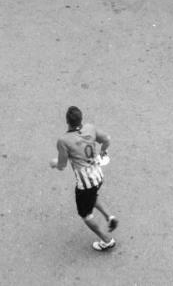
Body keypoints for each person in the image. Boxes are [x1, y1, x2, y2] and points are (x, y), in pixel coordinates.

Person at [49, 106, 117, 252]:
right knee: (93, 196)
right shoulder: (90, 128)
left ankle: (107, 241)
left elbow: (61, 165)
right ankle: (109, 217)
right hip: (98, 176)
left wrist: (54, 163)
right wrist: (102, 152)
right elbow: (107, 139)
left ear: (67, 121)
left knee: (85, 215)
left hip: (85, 184)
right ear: (81, 118)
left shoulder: (64, 140)